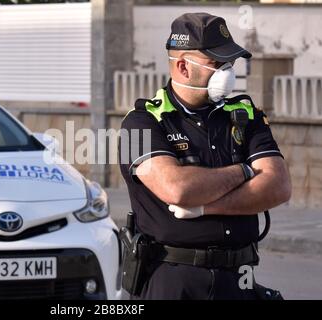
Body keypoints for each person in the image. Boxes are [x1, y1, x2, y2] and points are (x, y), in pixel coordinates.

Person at [118, 12, 292, 300]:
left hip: (240, 277)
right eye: (217, 63)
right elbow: (177, 188)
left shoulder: (245, 116)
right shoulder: (141, 123)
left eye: (230, 63)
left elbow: (278, 186)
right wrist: (245, 171)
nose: (228, 71)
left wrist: (205, 207)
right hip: (174, 278)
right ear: (184, 66)